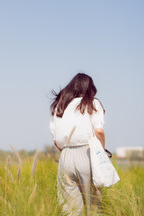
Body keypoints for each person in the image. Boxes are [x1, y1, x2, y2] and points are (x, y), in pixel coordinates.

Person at [49, 73, 105, 216]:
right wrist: (102, 151)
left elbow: (56, 140)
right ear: (90, 88)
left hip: (65, 156)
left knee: (71, 209)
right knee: (93, 206)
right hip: (87, 153)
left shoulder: (59, 105)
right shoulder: (92, 103)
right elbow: (99, 131)